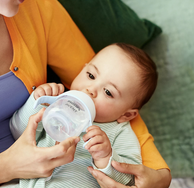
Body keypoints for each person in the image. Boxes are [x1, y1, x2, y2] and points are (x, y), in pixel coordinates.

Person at [0, 0, 171, 187]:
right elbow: (22, 127)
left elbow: (120, 88)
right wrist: (2, 168)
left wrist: (160, 175)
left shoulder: (35, 6)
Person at [10, 43, 160, 187]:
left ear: (126, 114)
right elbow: (17, 133)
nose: (90, 89)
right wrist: (36, 102)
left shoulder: (119, 132)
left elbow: (130, 179)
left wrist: (105, 157)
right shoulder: (58, 103)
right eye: (91, 75)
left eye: (108, 92)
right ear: (83, 69)